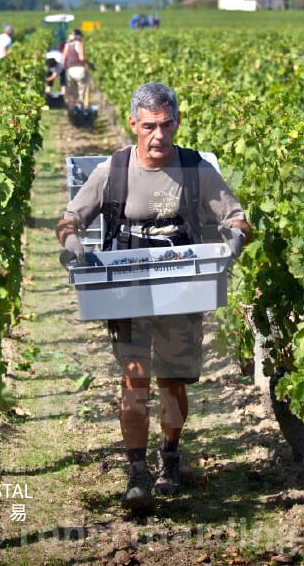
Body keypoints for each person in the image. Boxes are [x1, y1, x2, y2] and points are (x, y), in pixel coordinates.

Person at [56, 82, 252, 512]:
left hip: (183, 287)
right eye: (149, 127)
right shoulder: (115, 169)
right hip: (125, 288)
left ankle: (171, 454)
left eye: (166, 125)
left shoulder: (197, 169)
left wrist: (236, 238)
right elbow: (71, 217)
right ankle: (137, 472)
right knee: (134, 378)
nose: (159, 135)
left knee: (172, 383)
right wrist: (71, 244)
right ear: (133, 125)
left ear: (177, 122)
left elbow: (237, 217)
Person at [62, 29, 90, 105]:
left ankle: (73, 108)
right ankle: (81, 106)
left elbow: (63, 59)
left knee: (72, 91)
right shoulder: (79, 44)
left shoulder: (67, 45)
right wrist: (88, 62)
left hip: (70, 70)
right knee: (81, 90)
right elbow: (81, 58)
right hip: (79, 69)